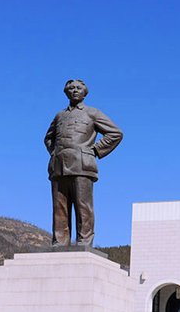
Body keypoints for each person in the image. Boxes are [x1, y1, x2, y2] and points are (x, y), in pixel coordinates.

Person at [44, 79, 123, 247]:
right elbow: (48, 138)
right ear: (66, 92)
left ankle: (84, 242)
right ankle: (60, 242)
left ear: (84, 93)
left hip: (82, 165)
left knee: (83, 206)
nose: (75, 90)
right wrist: (55, 153)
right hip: (59, 167)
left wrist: (95, 150)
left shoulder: (92, 113)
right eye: (71, 88)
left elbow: (115, 133)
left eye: (78, 88)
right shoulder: (60, 116)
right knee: (59, 208)